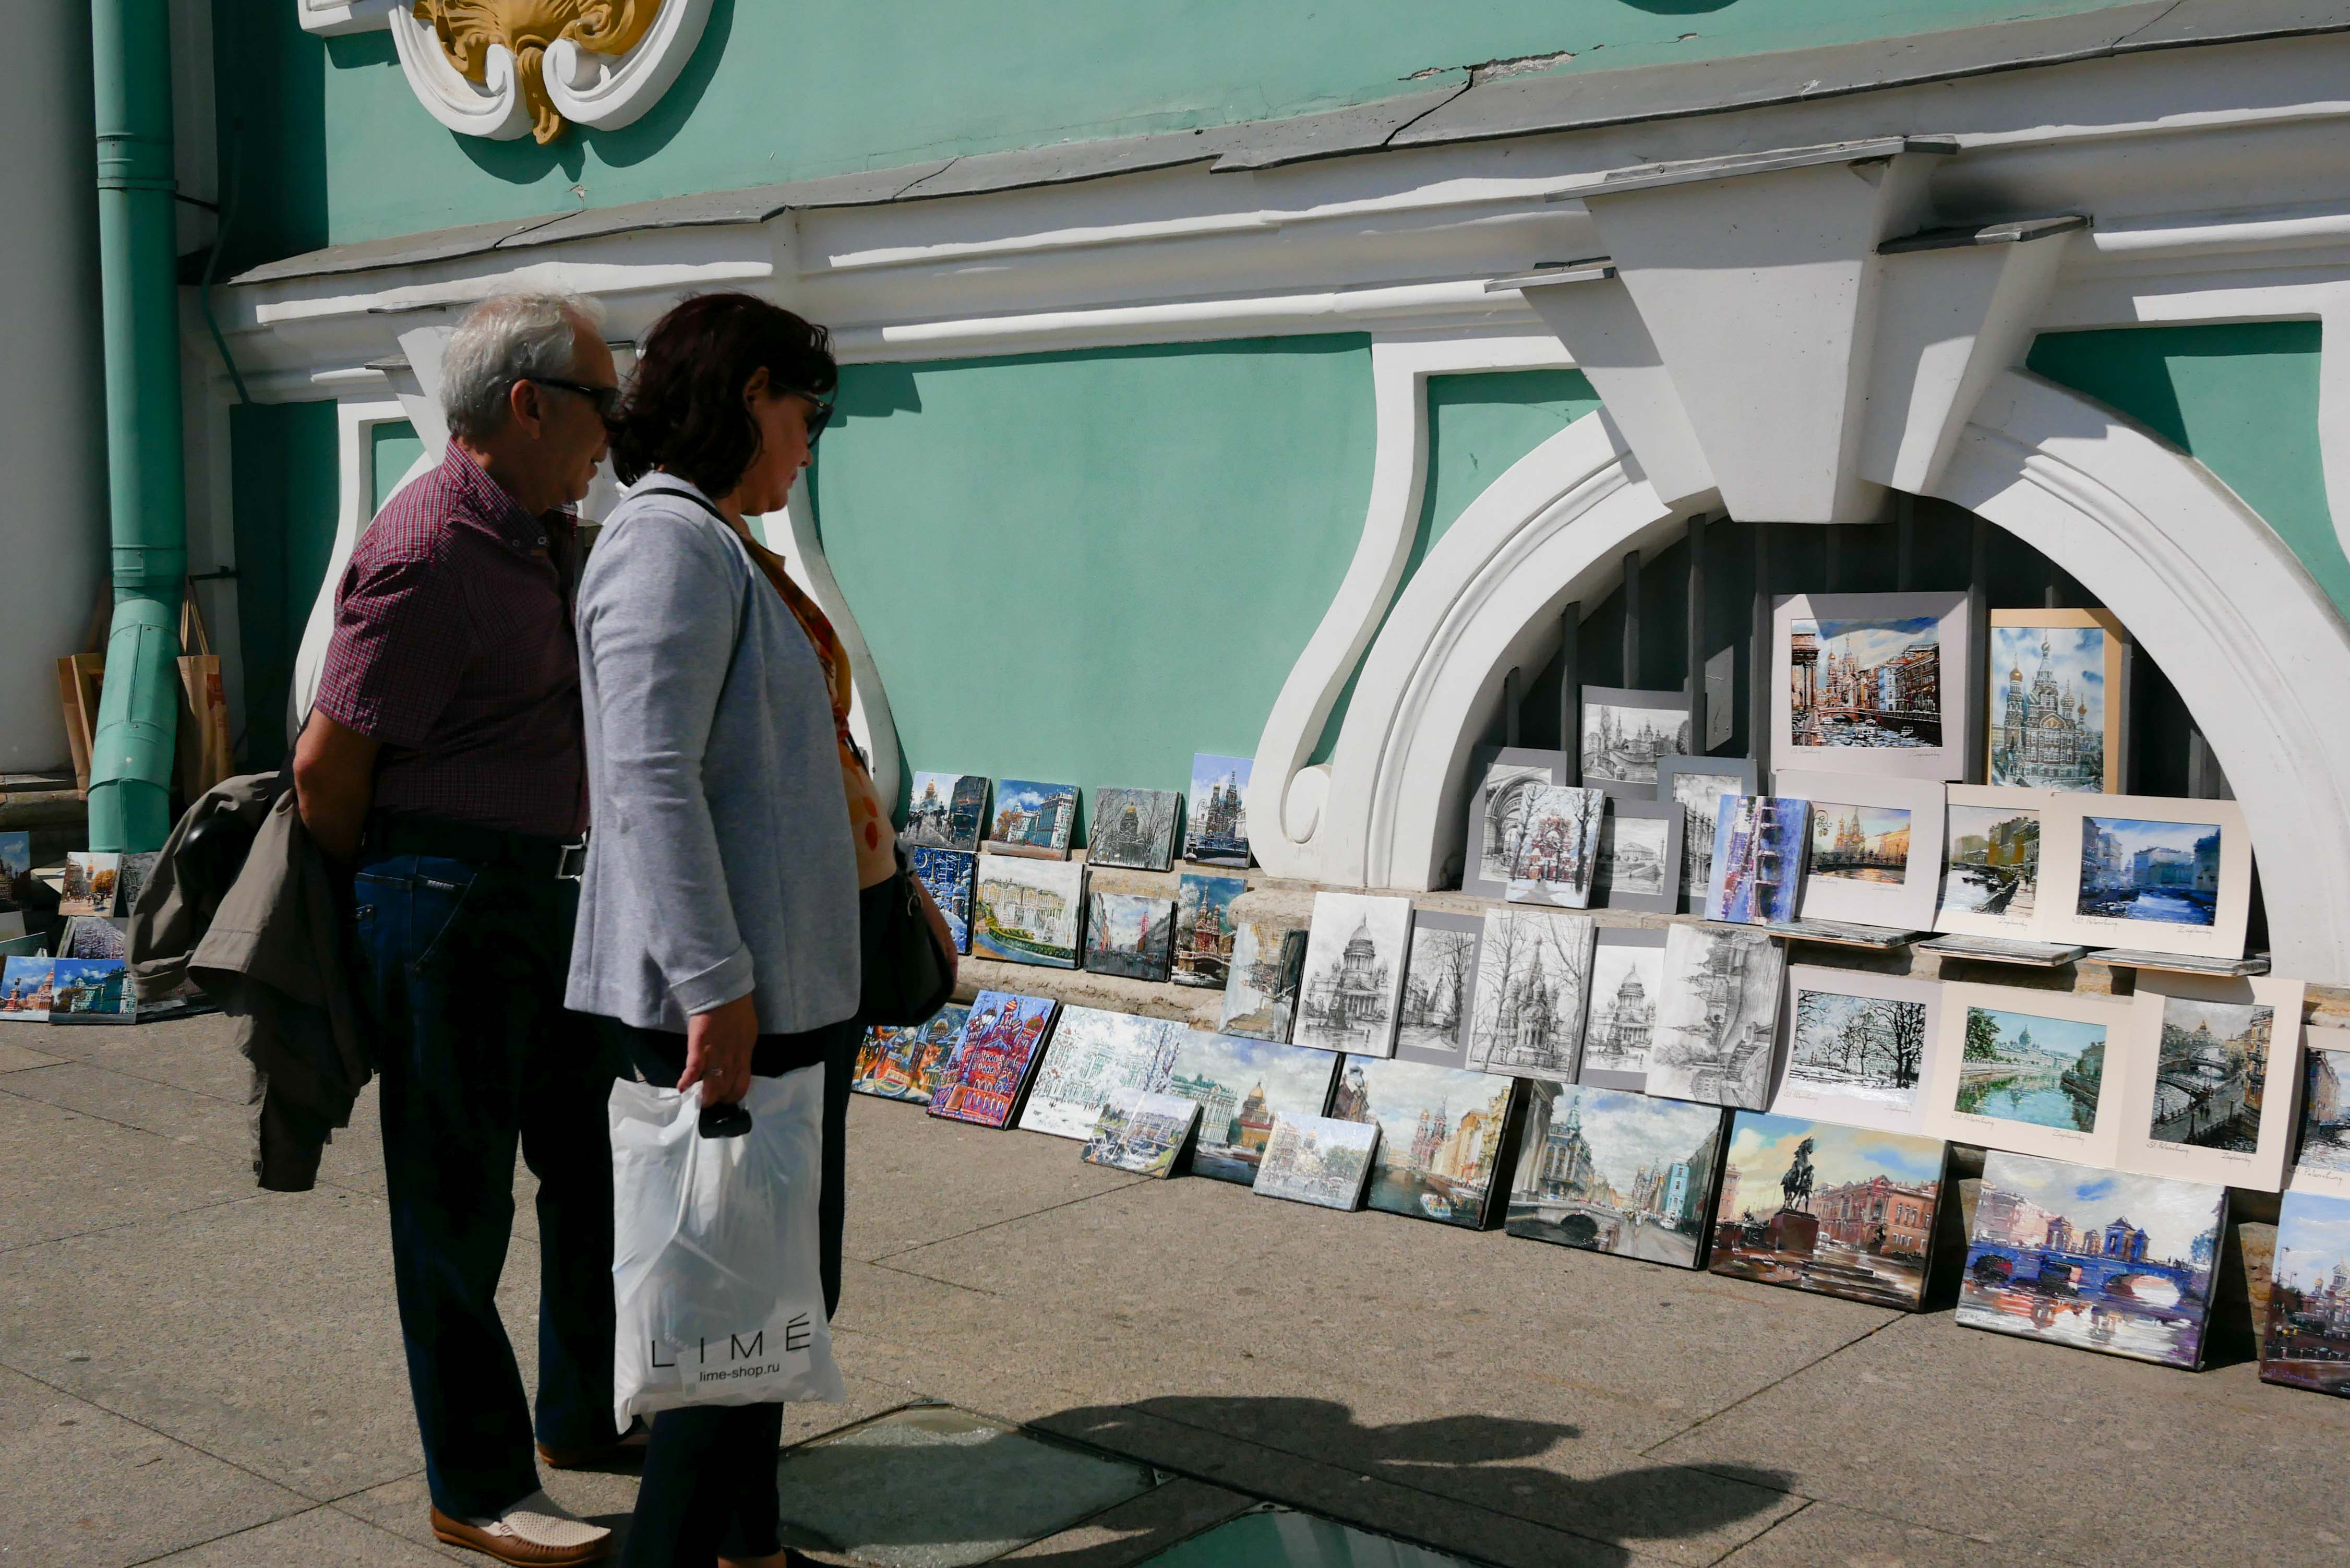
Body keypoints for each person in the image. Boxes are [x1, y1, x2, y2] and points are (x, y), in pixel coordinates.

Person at [573, 291, 947, 1568]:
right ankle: (671, 1551)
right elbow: (647, 779)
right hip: (729, 998)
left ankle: (747, 1544)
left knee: (772, 1294)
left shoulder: (721, 542)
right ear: (749, 396)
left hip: (778, 986)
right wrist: (715, 984)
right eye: (805, 410)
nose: (810, 439)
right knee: (724, 1314)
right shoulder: (667, 545)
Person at [294, 292, 630, 1566]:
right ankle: (477, 1485)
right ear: (530, 405)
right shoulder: (431, 545)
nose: (615, 428)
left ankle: (582, 1416)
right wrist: (387, 914)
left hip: (549, 896)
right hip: (447, 904)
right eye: (601, 400)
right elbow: (331, 770)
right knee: (455, 1207)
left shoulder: (539, 532)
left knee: (590, 1170)